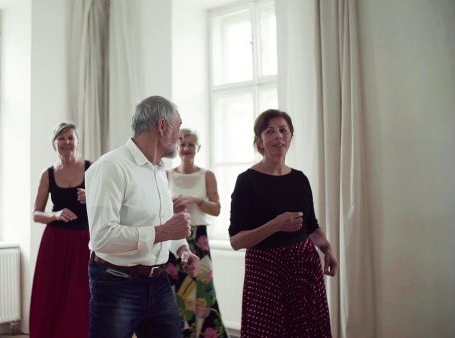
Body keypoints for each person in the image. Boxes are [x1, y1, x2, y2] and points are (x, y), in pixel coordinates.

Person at [85, 95, 201, 338]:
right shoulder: (111, 167)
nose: (181, 136)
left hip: (158, 282)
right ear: (162, 126)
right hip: (116, 283)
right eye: (178, 127)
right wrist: (165, 232)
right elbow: (102, 238)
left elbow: (164, 226)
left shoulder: (159, 170)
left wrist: (183, 251)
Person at [228, 109, 339, 338]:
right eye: (270, 131)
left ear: (290, 138)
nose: (278, 136)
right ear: (260, 141)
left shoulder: (299, 179)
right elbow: (236, 241)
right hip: (265, 271)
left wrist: (327, 248)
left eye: (283, 130)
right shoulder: (247, 181)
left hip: (302, 269)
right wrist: (275, 225)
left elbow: (311, 226)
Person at [166, 128, 229, 338]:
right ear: (177, 146)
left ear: (198, 148)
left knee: (203, 289)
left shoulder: (207, 175)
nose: (186, 148)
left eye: (191, 144)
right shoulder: (166, 175)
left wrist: (197, 200)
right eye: (182, 144)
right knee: (175, 290)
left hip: (199, 238)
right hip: (174, 238)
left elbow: (217, 209)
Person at [29, 122, 91, 338]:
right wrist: (54, 215)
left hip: (85, 241)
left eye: (70, 138)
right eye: (61, 139)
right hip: (55, 242)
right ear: (54, 144)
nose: (66, 142)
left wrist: (93, 198)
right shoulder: (47, 174)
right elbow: (36, 214)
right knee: (51, 293)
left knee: (80, 295)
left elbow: (113, 206)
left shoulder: (92, 169)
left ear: (78, 141)